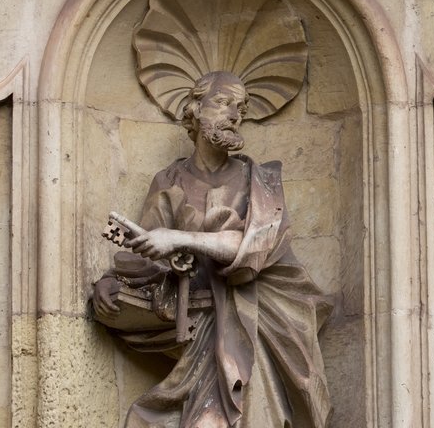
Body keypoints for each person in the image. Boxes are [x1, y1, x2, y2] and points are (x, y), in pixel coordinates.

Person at [92, 71, 333, 428]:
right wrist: (113, 282)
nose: (234, 114)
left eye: (241, 107)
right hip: (196, 331)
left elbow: (254, 247)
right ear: (195, 109)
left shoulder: (260, 181)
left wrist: (179, 238)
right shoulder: (169, 182)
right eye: (222, 102)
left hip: (251, 329)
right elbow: (149, 261)